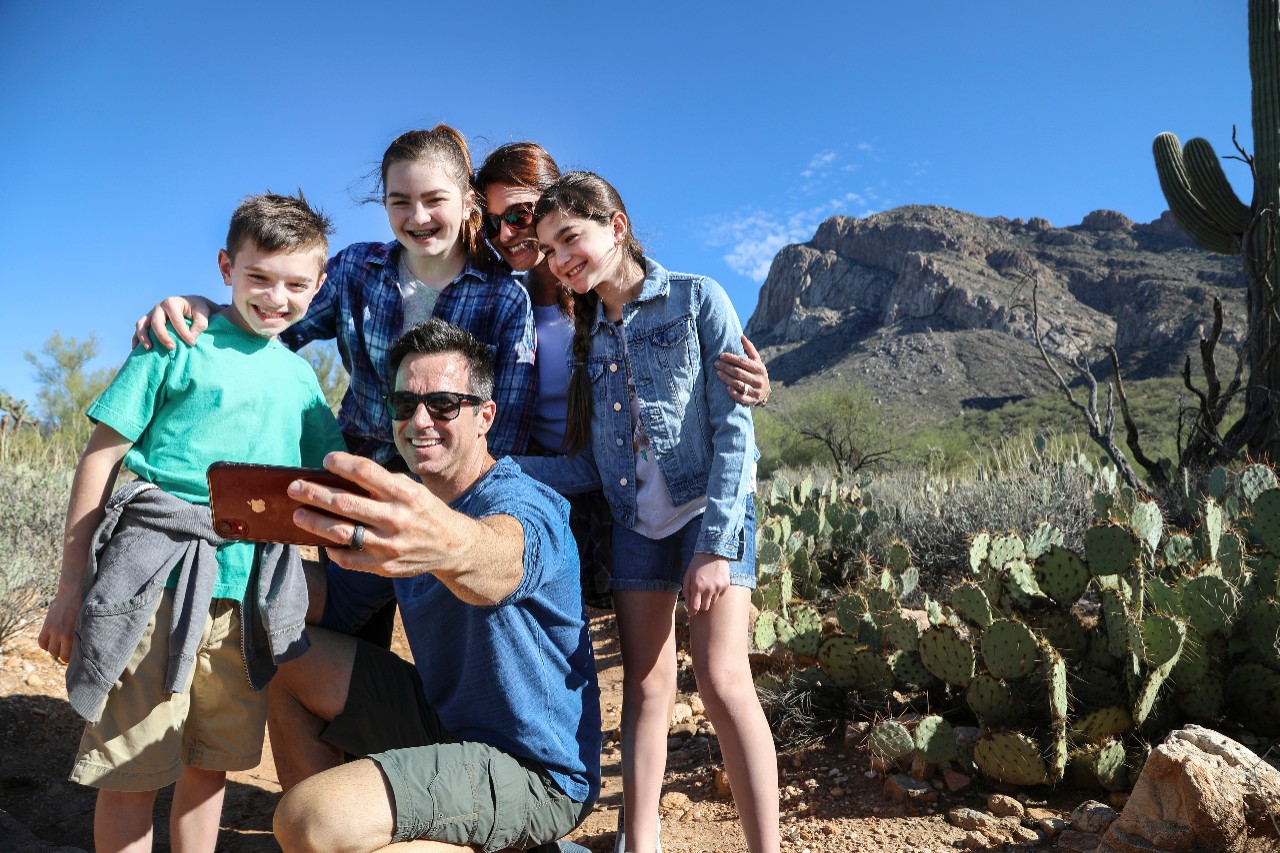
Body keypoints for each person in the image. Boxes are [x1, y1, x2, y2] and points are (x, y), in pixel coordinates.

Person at [134, 124, 539, 646]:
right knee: (351, 635)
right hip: (357, 485)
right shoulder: (355, 270)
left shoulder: (504, 300)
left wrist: (465, 515)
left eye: (434, 199)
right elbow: (268, 329)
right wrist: (206, 308)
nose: (417, 217)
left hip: (453, 502)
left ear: (467, 202)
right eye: (400, 201)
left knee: (449, 647)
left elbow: (509, 426)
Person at [38, 192, 346, 853]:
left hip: (245, 603)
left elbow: (336, 478)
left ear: (319, 284)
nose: (275, 297)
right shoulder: (176, 341)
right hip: (153, 588)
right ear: (225, 266)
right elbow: (101, 460)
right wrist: (72, 586)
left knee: (209, 767)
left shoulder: (300, 382)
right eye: (258, 276)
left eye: (296, 283)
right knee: (133, 767)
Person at [517, 172, 780, 853]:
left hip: (711, 509)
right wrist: (495, 467)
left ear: (618, 226)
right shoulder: (587, 336)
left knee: (722, 680)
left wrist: (716, 545)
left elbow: (734, 429)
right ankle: (641, 842)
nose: (561, 258)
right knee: (644, 684)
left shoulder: (697, 299)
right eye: (549, 248)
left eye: (570, 237)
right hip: (637, 521)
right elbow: (587, 465)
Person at [268, 318, 600, 853]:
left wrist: (446, 543)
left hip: (535, 772)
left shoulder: (523, 502)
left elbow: (499, 562)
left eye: (443, 404)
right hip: (445, 728)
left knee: (311, 819)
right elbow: (335, 603)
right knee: (291, 663)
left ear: (484, 417)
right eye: (404, 406)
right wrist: (247, 566)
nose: (419, 420)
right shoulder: (407, 517)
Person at [472, 141, 774, 609]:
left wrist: (754, 385)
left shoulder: (619, 301)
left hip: (628, 489)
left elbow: (683, 386)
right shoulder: (498, 301)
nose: (506, 233)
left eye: (519, 215)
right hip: (563, 480)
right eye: (493, 223)